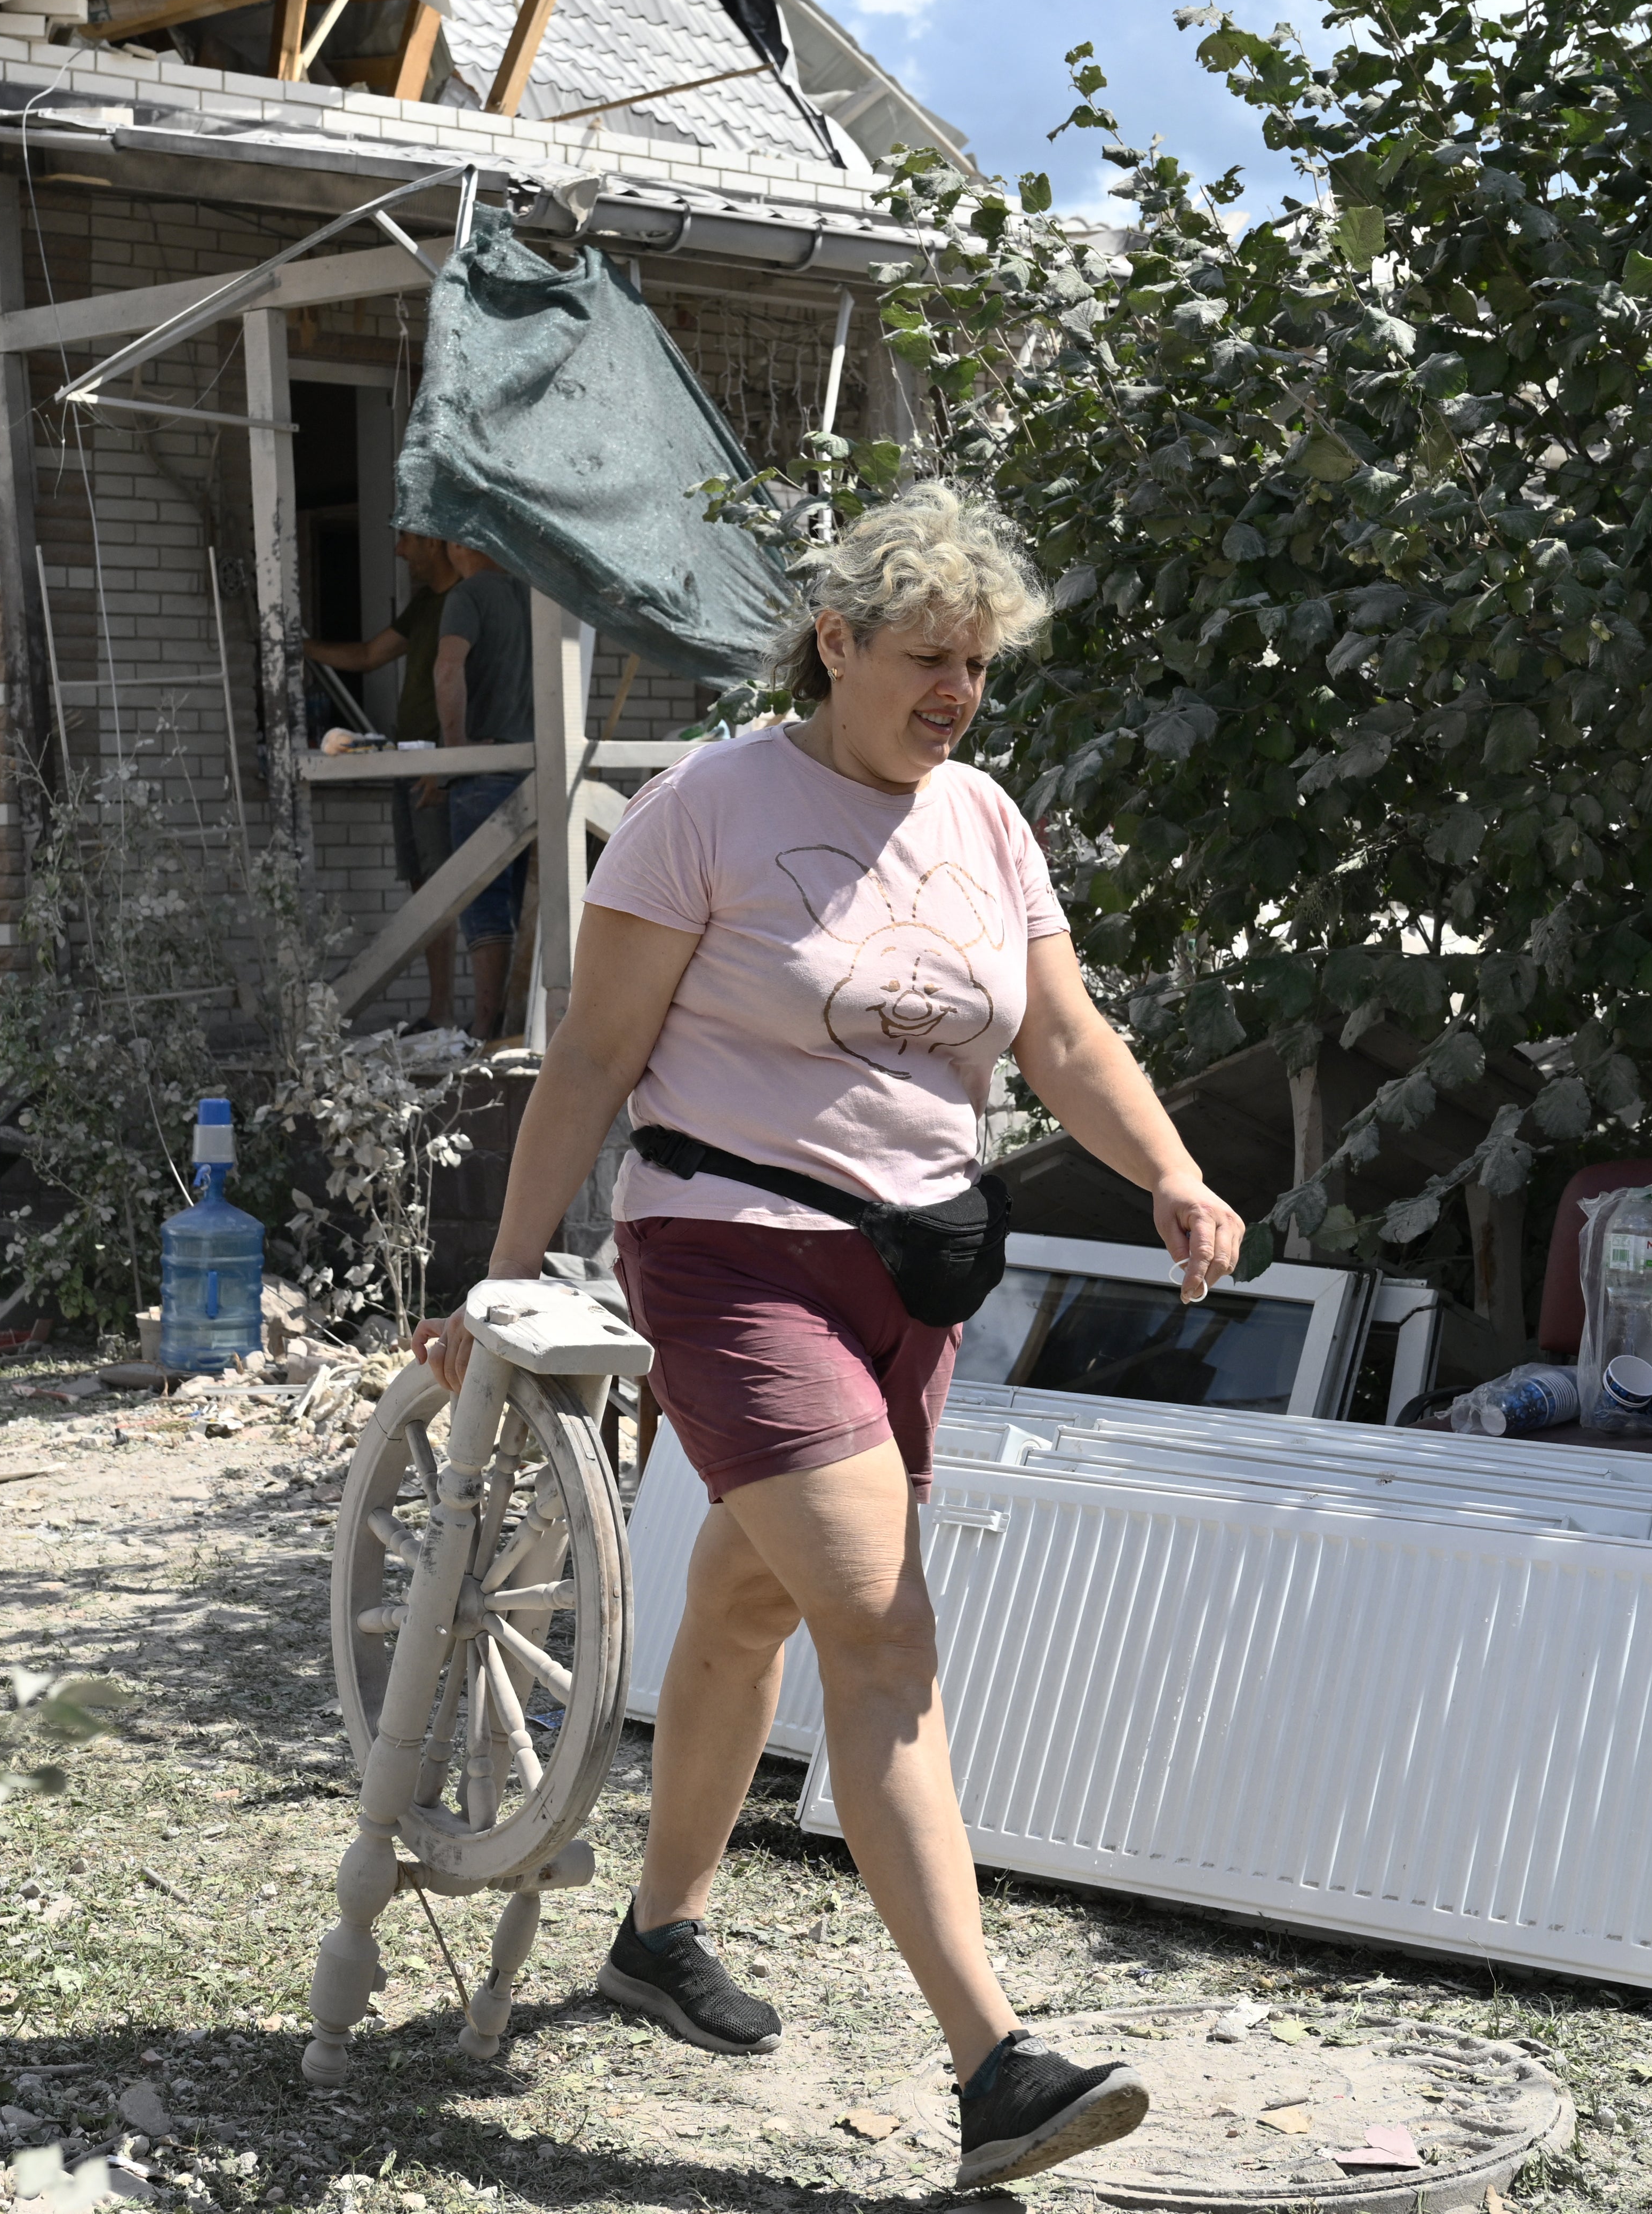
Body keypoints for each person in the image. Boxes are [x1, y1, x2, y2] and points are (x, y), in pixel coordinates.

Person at [417, 481, 1245, 2192]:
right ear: (837, 641)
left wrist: (1168, 1170)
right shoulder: (708, 807)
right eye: (928, 659)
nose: (955, 693)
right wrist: (507, 1276)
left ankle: (658, 1935)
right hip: (730, 1253)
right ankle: (997, 2066)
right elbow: (591, 1058)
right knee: (877, 1620)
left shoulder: (986, 820)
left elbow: (1069, 1036)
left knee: (748, 1599)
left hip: (915, 1270)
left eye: (979, 667)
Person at [308, 533, 461, 1028]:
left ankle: (446, 1013)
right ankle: (437, 1013)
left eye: (405, 540)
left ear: (434, 543)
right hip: (408, 759)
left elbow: (467, 683)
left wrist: (447, 762)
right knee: (423, 888)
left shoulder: (465, 600)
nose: (397, 551)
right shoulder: (423, 605)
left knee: (443, 888)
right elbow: (370, 655)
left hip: (436, 766)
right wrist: (300, 646)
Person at [429, 541, 533, 1037]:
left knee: (483, 903)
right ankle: (520, 1025)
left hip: (484, 771)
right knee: (520, 900)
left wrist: (456, 749)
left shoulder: (469, 596)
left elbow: (448, 667)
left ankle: (486, 1028)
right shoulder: (535, 597)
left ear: (457, 545)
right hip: (533, 770)